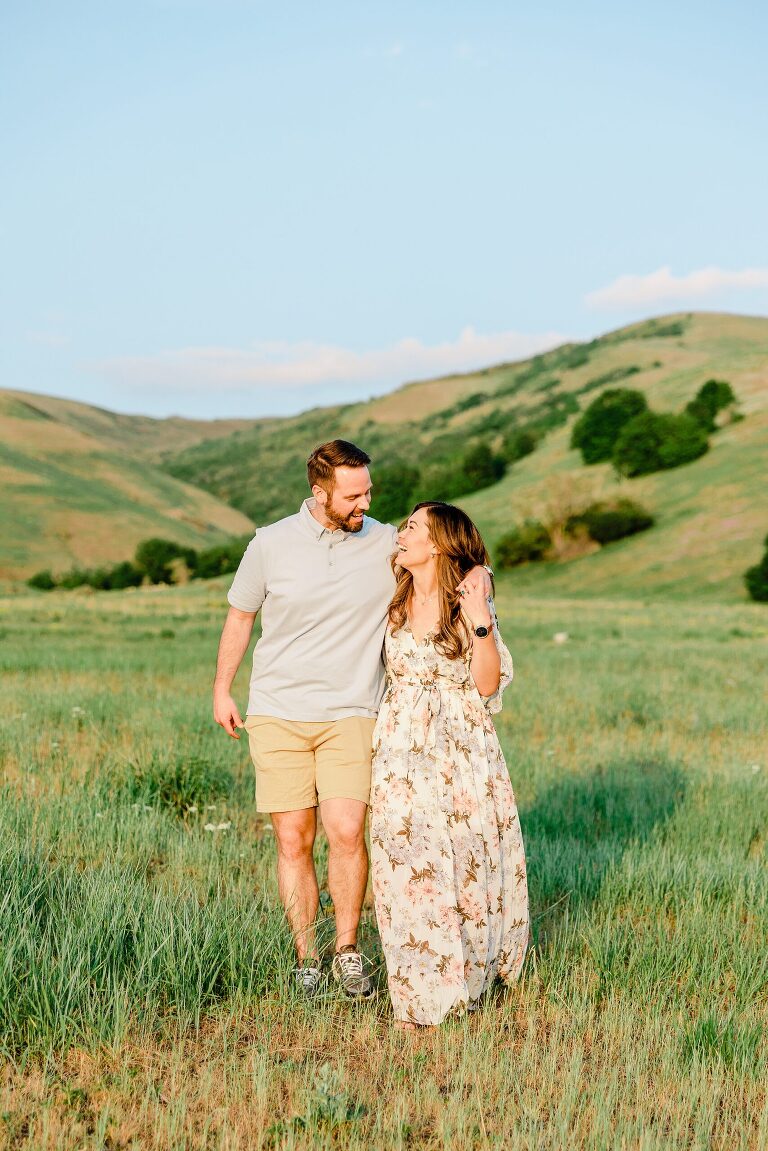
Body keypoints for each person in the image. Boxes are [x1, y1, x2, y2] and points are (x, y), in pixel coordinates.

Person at [213, 442, 490, 998]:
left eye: (368, 490)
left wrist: (480, 576)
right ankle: (306, 958)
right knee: (293, 838)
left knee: (345, 832)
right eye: (353, 494)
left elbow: (444, 550)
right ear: (320, 493)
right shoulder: (269, 544)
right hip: (278, 712)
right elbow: (241, 617)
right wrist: (222, 689)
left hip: (353, 711)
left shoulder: (387, 541)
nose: (366, 501)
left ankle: (347, 950)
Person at [369, 501, 529, 1029]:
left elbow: (486, 685)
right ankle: (417, 992)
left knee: (462, 860)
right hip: (398, 749)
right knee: (401, 860)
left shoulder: (470, 598)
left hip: (460, 746)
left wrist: (480, 621)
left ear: (437, 542)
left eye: (412, 526)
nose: (401, 531)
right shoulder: (392, 586)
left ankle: (466, 985)